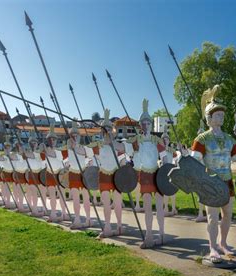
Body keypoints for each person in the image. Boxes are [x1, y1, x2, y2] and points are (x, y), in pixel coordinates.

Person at [191, 85, 236, 266]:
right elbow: (195, 162)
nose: (221, 116)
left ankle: (223, 243)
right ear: (209, 117)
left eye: (222, 114)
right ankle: (212, 247)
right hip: (210, 183)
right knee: (212, 217)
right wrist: (199, 182)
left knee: (228, 215)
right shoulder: (201, 139)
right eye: (217, 114)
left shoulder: (230, 139)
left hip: (227, 182)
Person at [129, 99, 166, 248]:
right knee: (147, 207)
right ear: (140, 125)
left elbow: (164, 158)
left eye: (148, 123)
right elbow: (128, 152)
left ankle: (162, 234)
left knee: (159, 206)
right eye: (143, 123)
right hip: (144, 174)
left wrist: (165, 172)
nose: (145, 125)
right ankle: (149, 235)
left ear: (151, 124)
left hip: (157, 175)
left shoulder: (156, 140)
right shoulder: (136, 140)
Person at [87, 109, 124, 238]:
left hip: (116, 176)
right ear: (102, 131)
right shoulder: (98, 145)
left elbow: (128, 154)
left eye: (109, 129)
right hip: (103, 175)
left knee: (118, 203)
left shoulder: (119, 145)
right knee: (106, 203)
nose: (107, 131)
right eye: (105, 129)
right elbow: (90, 156)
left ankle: (119, 226)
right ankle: (107, 226)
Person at [40, 123, 70, 222]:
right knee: (52, 195)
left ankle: (64, 213)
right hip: (49, 174)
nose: (52, 141)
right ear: (48, 141)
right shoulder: (44, 151)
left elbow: (62, 161)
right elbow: (42, 161)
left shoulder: (60, 151)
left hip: (59, 175)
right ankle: (53, 213)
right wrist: (43, 152)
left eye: (54, 139)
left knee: (61, 195)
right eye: (50, 139)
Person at [66, 120, 92, 229]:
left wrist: (88, 162)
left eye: (76, 135)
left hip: (83, 173)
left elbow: (90, 157)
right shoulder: (69, 146)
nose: (75, 137)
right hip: (73, 173)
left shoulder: (84, 148)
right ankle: (77, 219)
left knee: (86, 197)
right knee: (76, 198)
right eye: (73, 135)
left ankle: (88, 219)